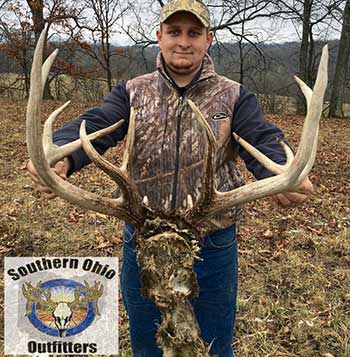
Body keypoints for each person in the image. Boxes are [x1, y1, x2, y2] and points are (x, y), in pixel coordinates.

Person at [27, 0, 314, 355]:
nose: (183, 42)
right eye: (174, 32)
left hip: (211, 244)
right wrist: (61, 154)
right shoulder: (133, 91)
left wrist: (281, 170)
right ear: (159, 36)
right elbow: (97, 125)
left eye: (193, 33)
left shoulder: (234, 96)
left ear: (208, 39)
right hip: (143, 242)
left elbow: (260, 137)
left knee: (212, 344)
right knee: (149, 344)